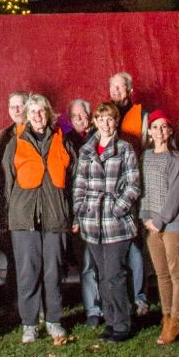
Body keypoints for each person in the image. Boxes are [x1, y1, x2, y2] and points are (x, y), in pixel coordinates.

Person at [2, 94, 74, 343]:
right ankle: (30, 324)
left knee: (54, 272)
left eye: (41, 111)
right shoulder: (15, 143)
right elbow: (7, 183)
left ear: (49, 113)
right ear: (26, 116)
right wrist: (8, 217)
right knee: (27, 272)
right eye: (32, 112)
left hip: (55, 217)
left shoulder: (62, 139)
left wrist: (70, 213)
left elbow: (72, 180)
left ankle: (54, 321)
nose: (37, 115)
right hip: (24, 218)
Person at [73, 100, 140, 343]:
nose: (105, 123)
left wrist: (117, 208)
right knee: (102, 275)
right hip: (92, 222)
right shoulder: (86, 151)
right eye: (101, 119)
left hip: (116, 223)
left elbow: (133, 185)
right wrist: (80, 211)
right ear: (95, 122)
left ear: (116, 122)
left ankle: (122, 323)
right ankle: (110, 321)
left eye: (110, 119)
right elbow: (79, 184)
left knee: (115, 274)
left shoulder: (125, 149)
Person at [140, 110, 179, 344]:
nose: (159, 131)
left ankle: (175, 320)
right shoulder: (145, 156)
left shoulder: (175, 158)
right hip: (151, 225)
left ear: (170, 131)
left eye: (164, 127)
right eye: (155, 127)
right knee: (161, 274)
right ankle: (165, 315)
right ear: (149, 131)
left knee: (176, 272)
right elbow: (144, 190)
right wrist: (146, 217)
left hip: (171, 224)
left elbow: (175, 194)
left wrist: (160, 221)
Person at [108, 71, 149, 315]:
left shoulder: (142, 115)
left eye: (120, 87)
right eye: (112, 87)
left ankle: (140, 297)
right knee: (116, 247)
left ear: (129, 90)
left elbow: (147, 146)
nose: (116, 91)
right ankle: (120, 296)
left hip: (133, 186)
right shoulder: (104, 114)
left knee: (134, 245)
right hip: (111, 188)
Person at [64, 98, 103, 326]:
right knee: (86, 263)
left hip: (102, 212)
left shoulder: (101, 138)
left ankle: (112, 306)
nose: (80, 119)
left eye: (83, 115)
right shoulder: (66, 141)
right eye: (75, 116)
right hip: (79, 212)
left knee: (106, 263)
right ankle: (93, 310)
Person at [0, 91, 27, 319]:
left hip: (31, 205)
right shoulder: (3, 136)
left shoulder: (39, 131)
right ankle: (14, 303)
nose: (15, 110)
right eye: (11, 106)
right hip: (9, 207)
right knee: (14, 258)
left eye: (20, 105)